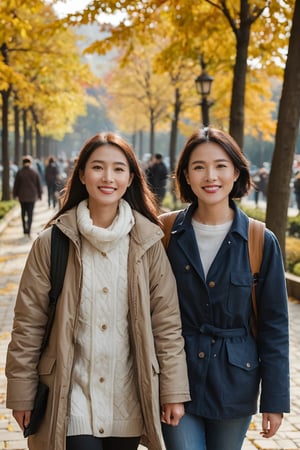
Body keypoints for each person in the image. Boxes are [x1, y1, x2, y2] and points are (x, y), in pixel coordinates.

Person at [5, 132, 190, 450]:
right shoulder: (52, 243)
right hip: (70, 397)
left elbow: (167, 324)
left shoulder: (148, 243)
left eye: (119, 169)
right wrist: (21, 392)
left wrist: (173, 391)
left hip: (128, 400)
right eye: (98, 167)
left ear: (131, 178)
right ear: (81, 174)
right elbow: (27, 326)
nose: (108, 177)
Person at [159, 127, 290, 450]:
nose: (210, 176)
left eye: (220, 165)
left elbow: (274, 327)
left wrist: (274, 400)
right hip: (177, 379)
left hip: (236, 382)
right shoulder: (163, 233)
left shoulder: (260, 240)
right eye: (199, 166)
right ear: (186, 176)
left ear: (236, 172)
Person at [12, 155, 42, 237]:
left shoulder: (20, 172)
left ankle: (24, 228)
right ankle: (29, 228)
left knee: (23, 212)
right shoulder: (34, 172)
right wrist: (40, 194)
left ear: (23, 163)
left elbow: (16, 184)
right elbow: (38, 184)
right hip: (32, 196)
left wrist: (15, 194)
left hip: (22, 196)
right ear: (30, 162)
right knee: (30, 213)